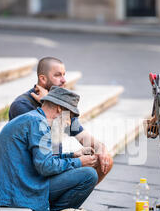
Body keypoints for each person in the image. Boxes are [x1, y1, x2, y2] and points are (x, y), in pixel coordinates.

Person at [0, 87, 99, 211]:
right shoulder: (38, 123)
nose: (69, 123)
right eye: (69, 117)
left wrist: (74, 155)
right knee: (88, 175)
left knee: (81, 170)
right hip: (17, 192)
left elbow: (43, 161)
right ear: (59, 109)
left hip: (15, 187)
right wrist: (79, 163)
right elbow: (45, 167)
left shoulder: (34, 119)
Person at [8, 56, 113, 184]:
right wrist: (46, 102)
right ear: (42, 79)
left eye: (64, 75)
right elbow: (41, 148)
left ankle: (67, 197)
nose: (64, 80)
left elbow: (85, 138)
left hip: (54, 164)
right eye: (58, 75)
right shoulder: (22, 106)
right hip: (33, 173)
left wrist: (102, 150)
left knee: (104, 161)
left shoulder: (62, 105)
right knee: (88, 174)